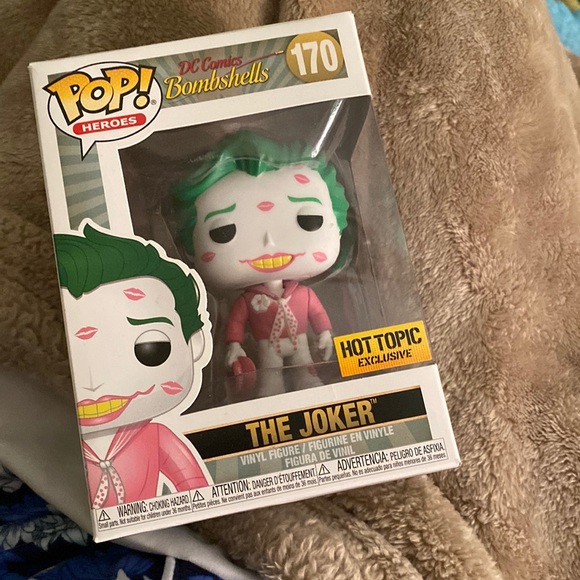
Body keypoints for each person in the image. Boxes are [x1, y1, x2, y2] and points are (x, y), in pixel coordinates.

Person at [175, 131, 348, 396]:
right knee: (270, 374)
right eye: (223, 231)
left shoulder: (303, 294)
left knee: (306, 367)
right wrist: (234, 345)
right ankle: (270, 390)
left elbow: (317, 314)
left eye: (309, 220)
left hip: (300, 341)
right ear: (190, 247)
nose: (270, 241)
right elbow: (235, 324)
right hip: (266, 346)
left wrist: (324, 332)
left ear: (338, 225)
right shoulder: (247, 301)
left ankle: (309, 385)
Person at [54, 223, 212, 508]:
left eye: (150, 348)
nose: (93, 383)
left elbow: (199, 492)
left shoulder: (156, 438)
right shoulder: (55, 437)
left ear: (195, 342)